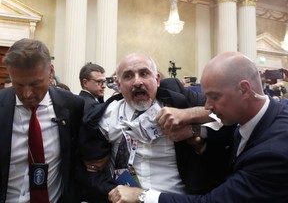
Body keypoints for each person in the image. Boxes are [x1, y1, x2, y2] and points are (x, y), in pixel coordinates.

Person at [108, 51, 288, 203]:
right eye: (128, 76)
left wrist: (143, 196)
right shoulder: (256, 117)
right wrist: (197, 137)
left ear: (244, 90)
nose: (207, 106)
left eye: (214, 97)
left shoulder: (273, 153)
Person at [78, 53, 234, 202]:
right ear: (118, 85)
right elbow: (91, 173)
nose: (137, 82)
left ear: (157, 79)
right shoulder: (103, 117)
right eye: (128, 76)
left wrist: (188, 116)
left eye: (144, 74)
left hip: (176, 198)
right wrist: (112, 192)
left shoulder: (177, 98)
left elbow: (228, 113)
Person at [0, 38, 85, 203]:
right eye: (18, 85)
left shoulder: (72, 106)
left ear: (51, 72)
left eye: (35, 84)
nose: (27, 94)